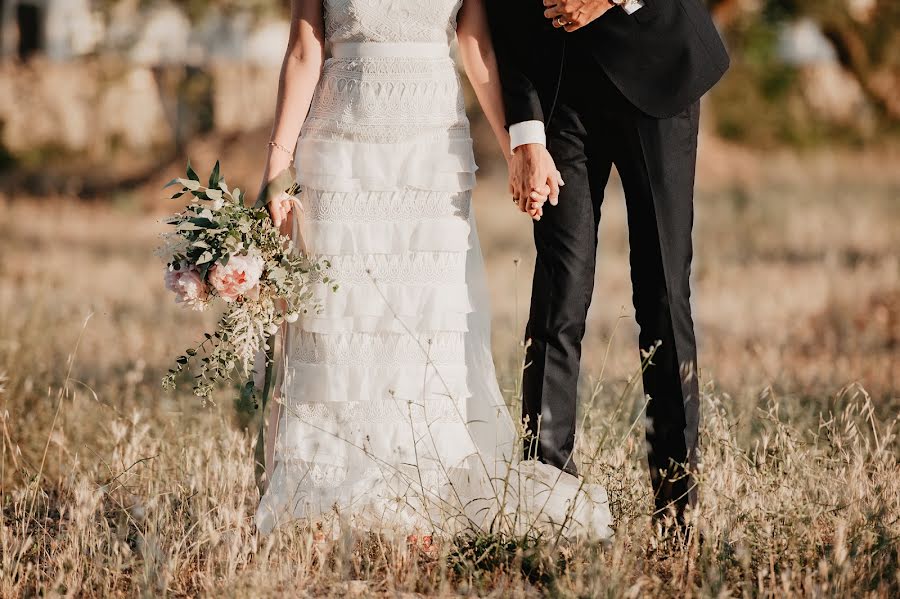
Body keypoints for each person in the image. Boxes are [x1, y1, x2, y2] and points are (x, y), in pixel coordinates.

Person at [254, 0, 611, 542]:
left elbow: (476, 48)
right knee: (340, 321)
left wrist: (516, 147)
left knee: (422, 323)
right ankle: (321, 495)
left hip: (429, 153)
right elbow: (306, 48)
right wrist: (276, 168)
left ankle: (419, 497)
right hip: (339, 151)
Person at [486, 0, 729, 530]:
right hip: (555, 88)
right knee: (560, 289)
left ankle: (677, 511)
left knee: (662, 293)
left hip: (654, 66)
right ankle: (546, 504)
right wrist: (524, 132)